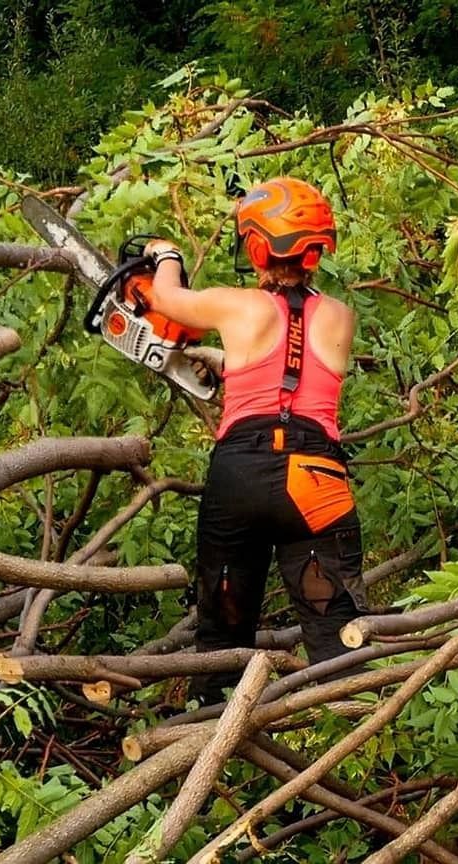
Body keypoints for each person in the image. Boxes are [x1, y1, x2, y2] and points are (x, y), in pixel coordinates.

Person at [142, 176, 367, 701]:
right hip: (315, 481)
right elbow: (295, 363)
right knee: (338, 637)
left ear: (259, 247)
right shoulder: (340, 316)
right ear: (314, 250)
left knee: (221, 627)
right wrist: (230, 364)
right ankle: (350, 733)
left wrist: (166, 255)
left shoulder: (236, 306)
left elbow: (166, 298)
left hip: (240, 476)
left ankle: (215, 731)